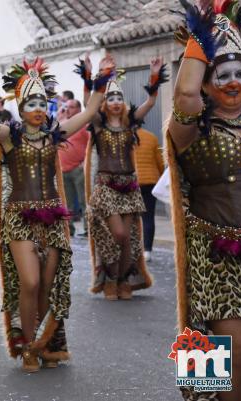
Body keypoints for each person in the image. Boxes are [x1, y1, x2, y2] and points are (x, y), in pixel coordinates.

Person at [0, 54, 115, 372]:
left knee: (47, 284)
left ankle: (44, 345)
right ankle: (28, 346)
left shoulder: (54, 134)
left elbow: (88, 112)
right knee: (29, 282)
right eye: (31, 104)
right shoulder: (10, 137)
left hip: (53, 219)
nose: (38, 110)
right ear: (20, 108)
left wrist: (101, 79)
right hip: (19, 219)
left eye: (42, 103)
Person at [168, 1, 241, 400]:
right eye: (223, 75)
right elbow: (182, 92)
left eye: (240, 74)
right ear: (207, 84)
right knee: (230, 366)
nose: (233, 83)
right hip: (216, 262)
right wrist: (206, 28)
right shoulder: (191, 131)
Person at [84, 54, 167, 301]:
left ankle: (122, 281)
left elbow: (151, 102)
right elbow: (88, 103)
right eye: (111, 97)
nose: (116, 101)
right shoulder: (99, 124)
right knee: (118, 234)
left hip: (129, 187)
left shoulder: (131, 123)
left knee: (129, 241)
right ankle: (109, 278)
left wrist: (154, 76)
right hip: (106, 187)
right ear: (105, 102)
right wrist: (95, 76)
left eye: (119, 97)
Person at [58, 99, 90, 236]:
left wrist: (85, 162)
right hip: (62, 169)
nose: (68, 109)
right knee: (66, 203)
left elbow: (91, 143)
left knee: (84, 201)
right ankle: (68, 229)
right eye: (67, 107)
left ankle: (88, 229)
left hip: (78, 169)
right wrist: (60, 116)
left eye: (71, 107)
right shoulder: (62, 123)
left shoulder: (83, 124)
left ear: (78, 109)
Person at [134, 128, 164, 262]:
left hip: (130, 183)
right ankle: (147, 251)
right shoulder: (151, 137)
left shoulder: (123, 137)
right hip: (150, 182)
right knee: (148, 217)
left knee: (131, 218)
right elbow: (160, 162)